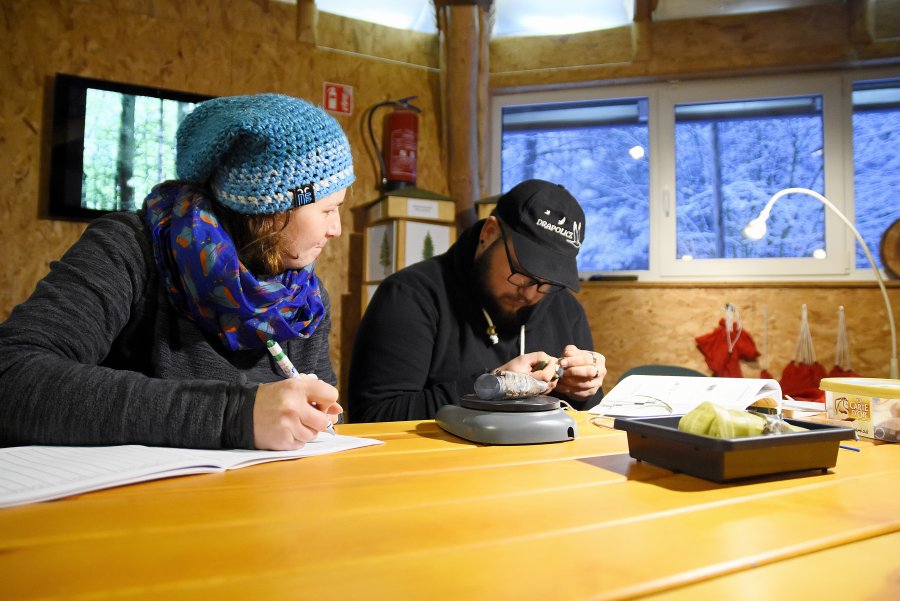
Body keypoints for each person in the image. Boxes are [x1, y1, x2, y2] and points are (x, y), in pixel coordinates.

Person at [0, 93, 355, 450]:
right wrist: (234, 415)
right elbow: (11, 377)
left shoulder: (302, 299)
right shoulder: (131, 249)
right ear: (270, 209)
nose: (335, 229)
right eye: (328, 210)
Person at [348, 179, 606, 422]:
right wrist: (491, 387)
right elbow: (373, 416)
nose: (529, 294)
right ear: (489, 233)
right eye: (522, 273)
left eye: (547, 282)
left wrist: (585, 391)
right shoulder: (410, 296)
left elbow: (587, 421)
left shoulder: (566, 309)